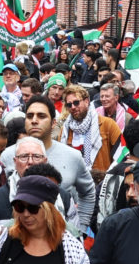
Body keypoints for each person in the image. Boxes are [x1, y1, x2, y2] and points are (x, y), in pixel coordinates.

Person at [19, 99, 91, 230]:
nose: (34, 120)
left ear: (53, 123)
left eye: (41, 116)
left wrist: (81, 226)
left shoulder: (72, 156)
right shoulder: (7, 156)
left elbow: (88, 192)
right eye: (29, 116)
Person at [59, 84, 122, 179]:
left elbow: (121, 155)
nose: (72, 107)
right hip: (74, 182)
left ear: (86, 101)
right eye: (69, 104)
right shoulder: (65, 130)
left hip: (100, 182)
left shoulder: (108, 124)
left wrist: (108, 178)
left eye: (76, 102)